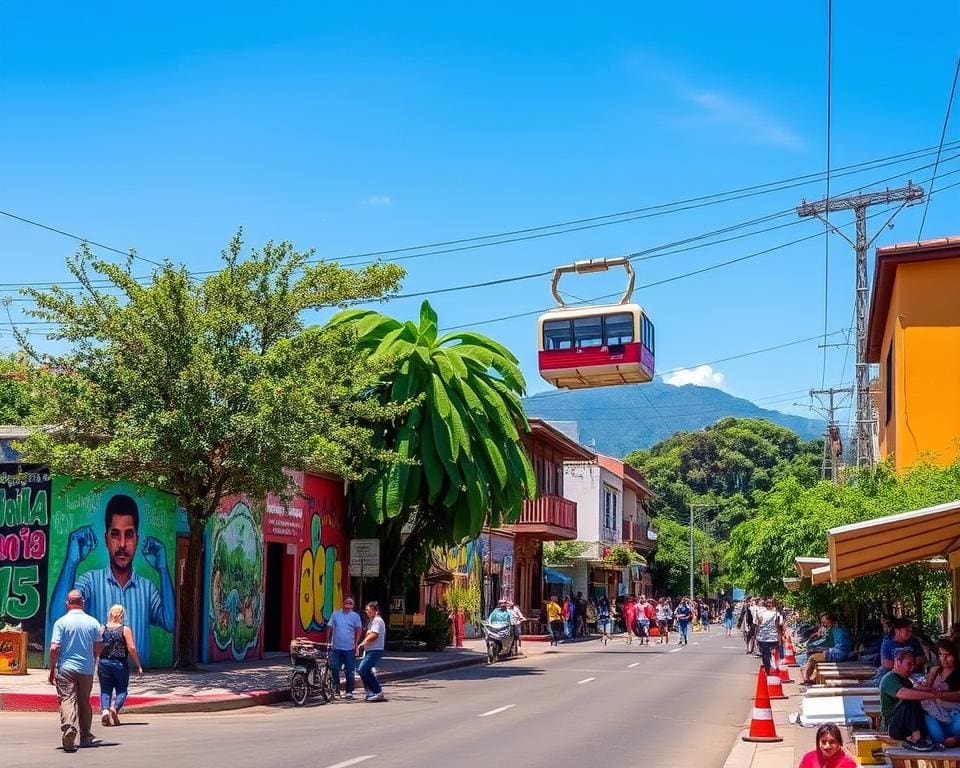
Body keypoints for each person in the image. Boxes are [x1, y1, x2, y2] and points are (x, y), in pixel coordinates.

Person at [49, 493, 175, 665]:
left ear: (137, 539)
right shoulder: (90, 582)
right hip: (101, 675)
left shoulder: (147, 589)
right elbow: (57, 618)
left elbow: (170, 623)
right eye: (115, 534)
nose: (122, 544)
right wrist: (71, 563)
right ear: (106, 539)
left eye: (129, 535)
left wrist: (163, 569)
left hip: (139, 681)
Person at [48, 590, 103, 752]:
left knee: (67, 699)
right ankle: (85, 736)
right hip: (86, 669)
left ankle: (69, 728)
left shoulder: (61, 622)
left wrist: (52, 668)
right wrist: (93, 657)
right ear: (83, 603)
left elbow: (54, 647)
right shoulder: (93, 622)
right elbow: (99, 645)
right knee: (84, 701)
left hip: (66, 668)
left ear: (67, 604)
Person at [881, 648, 940, 751]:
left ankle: (922, 737)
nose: (912, 668)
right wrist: (932, 696)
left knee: (917, 702)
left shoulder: (907, 681)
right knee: (909, 700)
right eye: (909, 664)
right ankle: (917, 739)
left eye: (913, 665)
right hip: (893, 726)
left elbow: (916, 688)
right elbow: (902, 693)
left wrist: (930, 691)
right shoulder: (889, 679)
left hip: (904, 725)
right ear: (897, 662)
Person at [98, 604, 143, 726]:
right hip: (120, 664)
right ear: (121, 615)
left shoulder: (103, 628)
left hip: (104, 663)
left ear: (110, 614)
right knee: (122, 690)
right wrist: (138, 665)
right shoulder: (124, 629)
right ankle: (115, 708)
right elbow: (132, 648)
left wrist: (96, 659)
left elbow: (98, 645)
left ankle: (105, 711)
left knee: (105, 690)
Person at [920, 638, 960, 747]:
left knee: (958, 728)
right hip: (934, 712)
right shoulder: (935, 670)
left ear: (955, 656)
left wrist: (939, 695)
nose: (944, 659)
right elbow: (925, 690)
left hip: (954, 712)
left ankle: (955, 740)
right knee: (937, 737)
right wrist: (931, 677)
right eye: (941, 655)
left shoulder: (958, 672)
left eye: (947, 655)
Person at [326, 596, 363, 699]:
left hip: (349, 648)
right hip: (336, 647)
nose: (348, 604)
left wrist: (356, 643)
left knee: (350, 670)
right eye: (346, 602)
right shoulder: (336, 614)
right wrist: (328, 641)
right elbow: (330, 627)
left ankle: (349, 691)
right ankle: (335, 689)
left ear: (353, 605)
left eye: (350, 603)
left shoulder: (355, 616)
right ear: (343, 603)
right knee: (334, 667)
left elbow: (359, 629)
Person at [801, 613, 853, 685]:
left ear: (831, 621)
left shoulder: (839, 632)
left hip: (838, 654)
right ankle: (812, 678)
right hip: (836, 652)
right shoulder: (833, 629)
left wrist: (826, 650)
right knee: (814, 655)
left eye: (825, 622)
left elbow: (841, 649)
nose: (823, 624)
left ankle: (806, 679)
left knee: (812, 658)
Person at [357, 601, 386, 702]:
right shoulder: (371, 621)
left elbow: (374, 635)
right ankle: (371, 692)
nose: (367, 613)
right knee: (365, 670)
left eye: (369, 611)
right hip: (370, 650)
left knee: (362, 669)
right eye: (366, 611)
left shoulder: (377, 621)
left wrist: (362, 644)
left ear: (375, 611)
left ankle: (377, 692)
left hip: (375, 650)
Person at [755, 598, 784, 674]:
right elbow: (780, 625)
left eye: (769, 603)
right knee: (771, 654)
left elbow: (758, 624)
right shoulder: (777, 614)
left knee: (765, 654)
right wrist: (780, 636)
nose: (769, 604)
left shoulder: (760, 613)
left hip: (764, 638)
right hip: (772, 638)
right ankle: (772, 668)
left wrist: (757, 636)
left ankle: (768, 669)